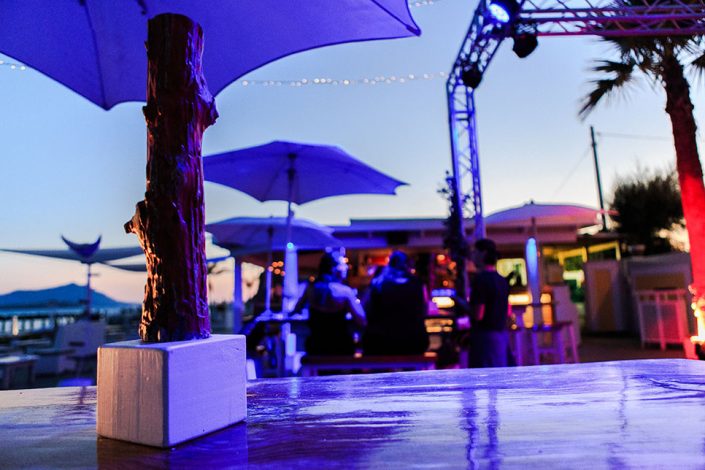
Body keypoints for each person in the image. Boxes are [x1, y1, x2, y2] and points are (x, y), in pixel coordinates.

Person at [294, 251, 366, 355]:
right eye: (343, 264)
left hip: (315, 346)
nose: (346, 267)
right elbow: (362, 320)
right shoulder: (345, 291)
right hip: (340, 347)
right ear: (333, 268)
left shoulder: (311, 289)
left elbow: (296, 310)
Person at [362, 251, 429, 355]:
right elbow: (425, 311)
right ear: (407, 266)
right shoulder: (418, 284)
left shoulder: (378, 283)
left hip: (379, 343)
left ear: (389, 265)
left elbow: (365, 310)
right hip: (413, 342)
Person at [466, 238, 511, 368]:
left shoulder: (480, 279)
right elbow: (508, 311)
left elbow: (478, 314)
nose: (472, 256)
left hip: (484, 338)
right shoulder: (502, 280)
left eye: (475, 252)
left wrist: (464, 305)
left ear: (483, 254)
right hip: (501, 337)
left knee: (482, 375)